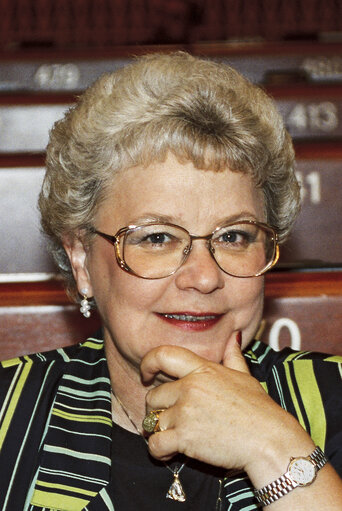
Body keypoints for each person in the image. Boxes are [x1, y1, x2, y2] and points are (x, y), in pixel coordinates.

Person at [0, 51, 341, 511]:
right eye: (157, 237)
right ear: (81, 259)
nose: (203, 277)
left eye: (235, 236)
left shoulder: (334, 396)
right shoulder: (7, 417)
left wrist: (274, 448)